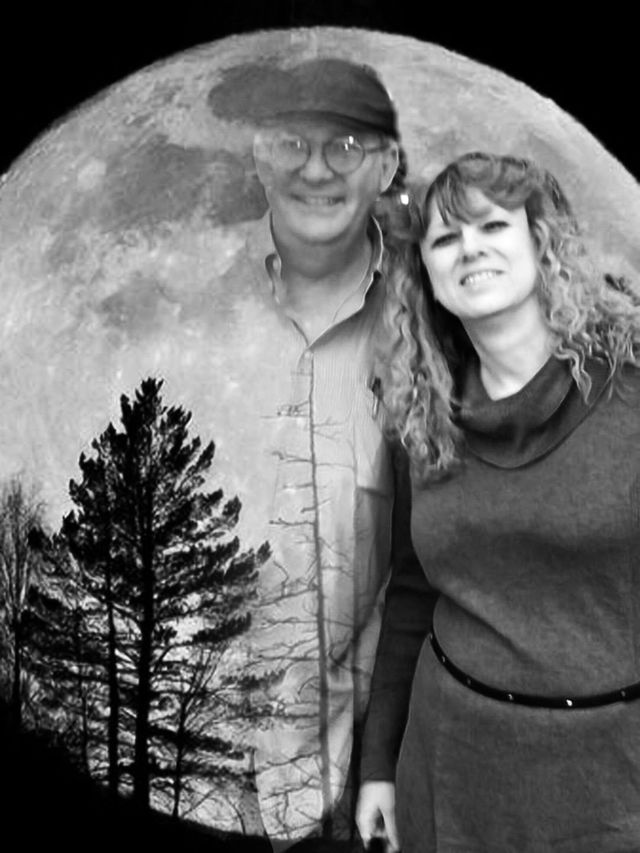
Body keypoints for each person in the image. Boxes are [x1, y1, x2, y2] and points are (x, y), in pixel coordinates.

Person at [355, 152, 640, 852]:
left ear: (541, 241)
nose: (470, 248)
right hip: (449, 768)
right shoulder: (421, 421)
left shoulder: (630, 390)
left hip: (610, 780)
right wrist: (379, 763)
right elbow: (412, 593)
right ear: (425, 269)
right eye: (445, 237)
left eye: (491, 226)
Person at [215, 58, 404, 849]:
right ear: (259, 155)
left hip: (363, 773)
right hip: (192, 759)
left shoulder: (435, 314)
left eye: (347, 145)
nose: (317, 169)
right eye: (293, 142)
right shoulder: (182, 299)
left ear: (387, 164)